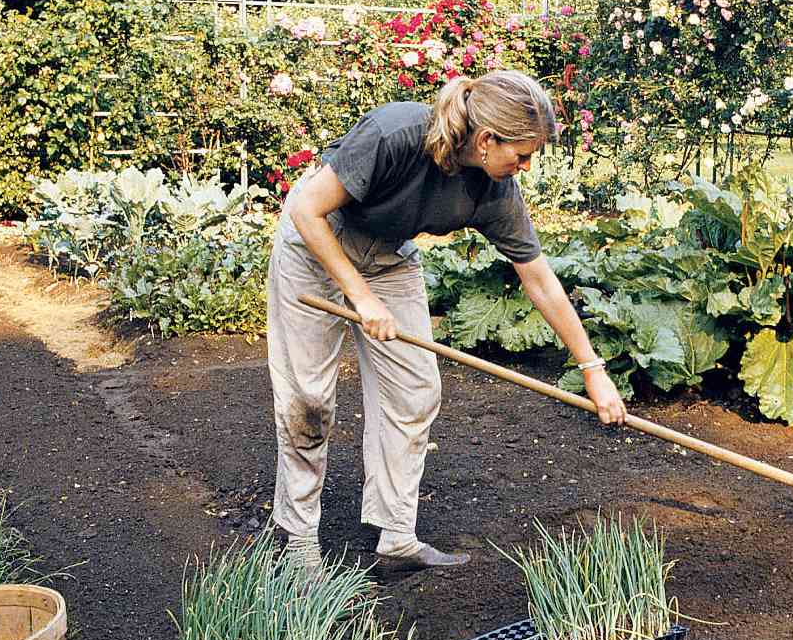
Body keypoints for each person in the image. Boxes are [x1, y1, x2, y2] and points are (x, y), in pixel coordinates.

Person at [267, 69, 626, 571]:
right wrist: (362, 299)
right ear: (485, 140)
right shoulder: (396, 134)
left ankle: (395, 535)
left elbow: (540, 279)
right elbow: (307, 209)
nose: (524, 166)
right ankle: (299, 542)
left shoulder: (494, 190)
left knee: (415, 391)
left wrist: (594, 370)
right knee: (309, 399)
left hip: (388, 255)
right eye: (521, 155)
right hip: (315, 245)